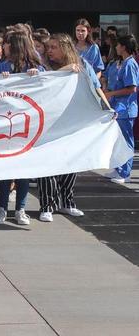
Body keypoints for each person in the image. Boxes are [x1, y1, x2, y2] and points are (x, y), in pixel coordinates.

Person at [38, 33, 112, 222]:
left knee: (71, 162)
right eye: (49, 47)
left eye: (54, 47)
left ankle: (67, 202)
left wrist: (107, 107)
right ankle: (47, 205)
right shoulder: (44, 65)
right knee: (47, 165)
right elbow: (44, 82)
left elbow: (96, 87)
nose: (50, 51)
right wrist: (65, 69)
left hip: (72, 121)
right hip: (49, 124)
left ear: (65, 48)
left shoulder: (83, 64)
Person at [0, 31, 45, 225]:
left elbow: (46, 87)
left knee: (23, 169)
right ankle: (2, 208)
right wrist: (1, 78)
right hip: (6, 124)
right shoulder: (1, 65)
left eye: (8, 44)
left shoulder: (36, 66)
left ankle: (20, 209)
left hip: (26, 125)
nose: (4, 47)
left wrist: (35, 77)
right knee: (5, 169)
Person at [103, 35, 139, 184]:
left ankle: (125, 172)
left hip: (126, 108)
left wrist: (111, 93)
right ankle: (119, 168)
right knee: (118, 140)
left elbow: (132, 88)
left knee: (126, 141)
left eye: (118, 45)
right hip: (118, 107)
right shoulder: (120, 62)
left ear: (124, 47)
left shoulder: (130, 64)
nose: (116, 47)